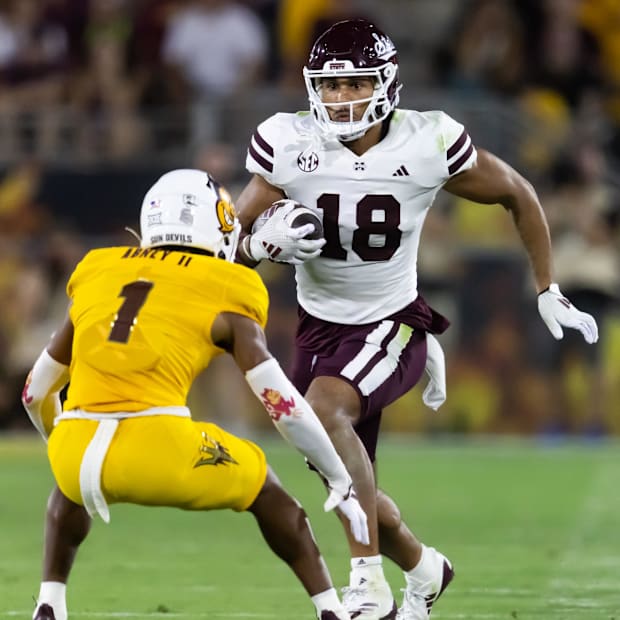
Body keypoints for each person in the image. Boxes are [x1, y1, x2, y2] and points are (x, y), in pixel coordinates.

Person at [233, 18, 599, 620]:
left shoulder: (425, 140)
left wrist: (547, 288)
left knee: (325, 413)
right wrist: (256, 248)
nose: (339, 98)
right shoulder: (288, 141)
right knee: (343, 476)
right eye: (329, 86)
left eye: (353, 85)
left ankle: (368, 583)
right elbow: (233, 236)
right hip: (317, 329)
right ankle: (426, 571)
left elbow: (518, 192)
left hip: (391, 322)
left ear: (384, 84)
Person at [21, 168, 371, 620]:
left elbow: (34, 392)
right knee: (268, 490)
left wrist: (60, 439)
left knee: (72, 482)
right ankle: (332, 611)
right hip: (159, 448)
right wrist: (338, 477)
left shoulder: (98, 269)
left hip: (75, 448)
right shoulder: (230, 285)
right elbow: (281, 405)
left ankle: (49, 603)